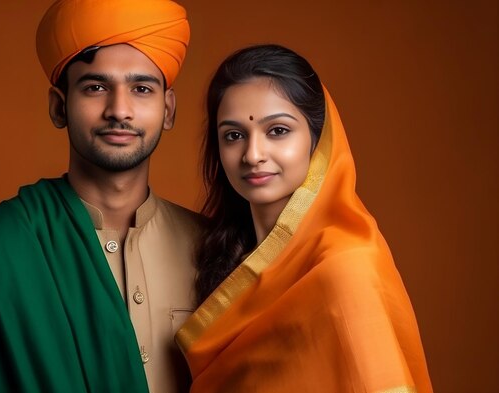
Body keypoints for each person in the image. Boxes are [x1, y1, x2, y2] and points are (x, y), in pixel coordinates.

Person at [0, 0, 203, 392]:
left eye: (141, 88)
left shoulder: (216, 252)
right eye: (95, 87)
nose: (119, 109)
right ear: (59, 107)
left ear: (168, 109)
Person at [176, 45, 433, 392]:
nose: (253, 155)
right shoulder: (222, 259)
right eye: (234, 136)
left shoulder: (345, 268)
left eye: (278, 131)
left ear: (319, 138)